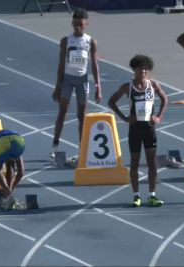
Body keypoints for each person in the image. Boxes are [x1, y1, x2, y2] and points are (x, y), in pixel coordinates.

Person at [108, 55, 167, 207]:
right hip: (135, 129)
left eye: (146, 68)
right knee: (134, 163)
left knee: (152, 163)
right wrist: (125, 118)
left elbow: (165, 99)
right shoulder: (127, 87)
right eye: (140, 68)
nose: (143, 71)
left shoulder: (153, 85)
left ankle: (152, 195)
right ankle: (136, 196)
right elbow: (111, 102)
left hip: (149, 129)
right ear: (134, 69)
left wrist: (159, 117)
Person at [50, 8, 101, 162]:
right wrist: (57, 86)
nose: (77, 27)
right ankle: (54, 146)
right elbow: (60, 63)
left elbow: (94, 65)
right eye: (74, 24)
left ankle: (82, 148)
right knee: (62, 113)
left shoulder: (90, 41)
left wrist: (98, 86)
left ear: (86, 24)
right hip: (67, 79)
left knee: (82, 116)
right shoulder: (66, 40)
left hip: (82, 81)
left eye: (80, 25)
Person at [0, 129, 25, 210]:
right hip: (18, 141)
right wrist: (10, 190)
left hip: (2, 143)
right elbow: (21, 173)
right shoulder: (15, 140)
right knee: (10, 165)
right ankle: (9, 194)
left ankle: (8, 195)